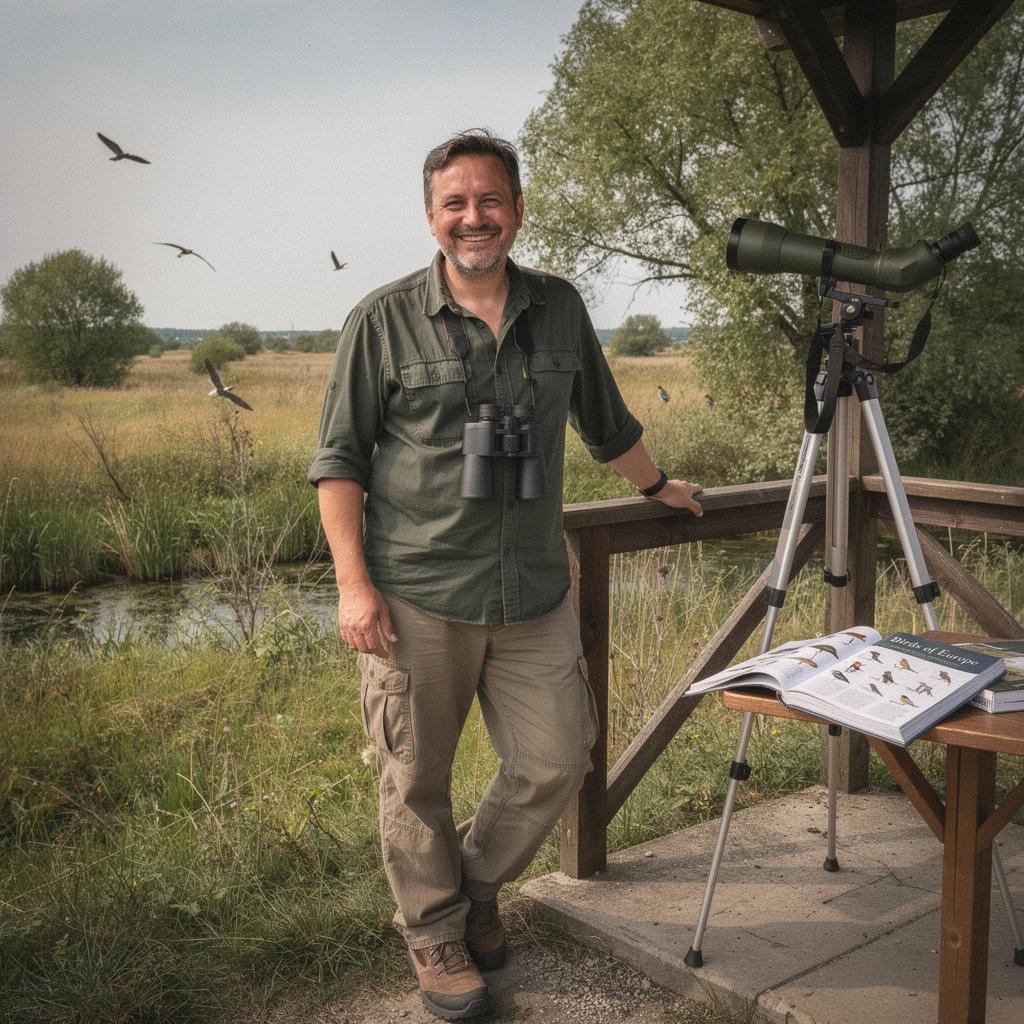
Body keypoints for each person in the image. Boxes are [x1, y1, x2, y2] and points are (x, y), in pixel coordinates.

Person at [309, 129, 703, 1020]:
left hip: (532, 589)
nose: (474, 218)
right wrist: (353, 586)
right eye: (456, 203)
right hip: (418, 592)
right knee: (414, 778)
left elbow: (607, 422)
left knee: (560, 756)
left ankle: (474, 884)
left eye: (490, 200)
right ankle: (437, 935)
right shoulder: (381, 319)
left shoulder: (559, 309)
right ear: (431, 216)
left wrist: (659, 486)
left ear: (517, 210)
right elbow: (339, 461)